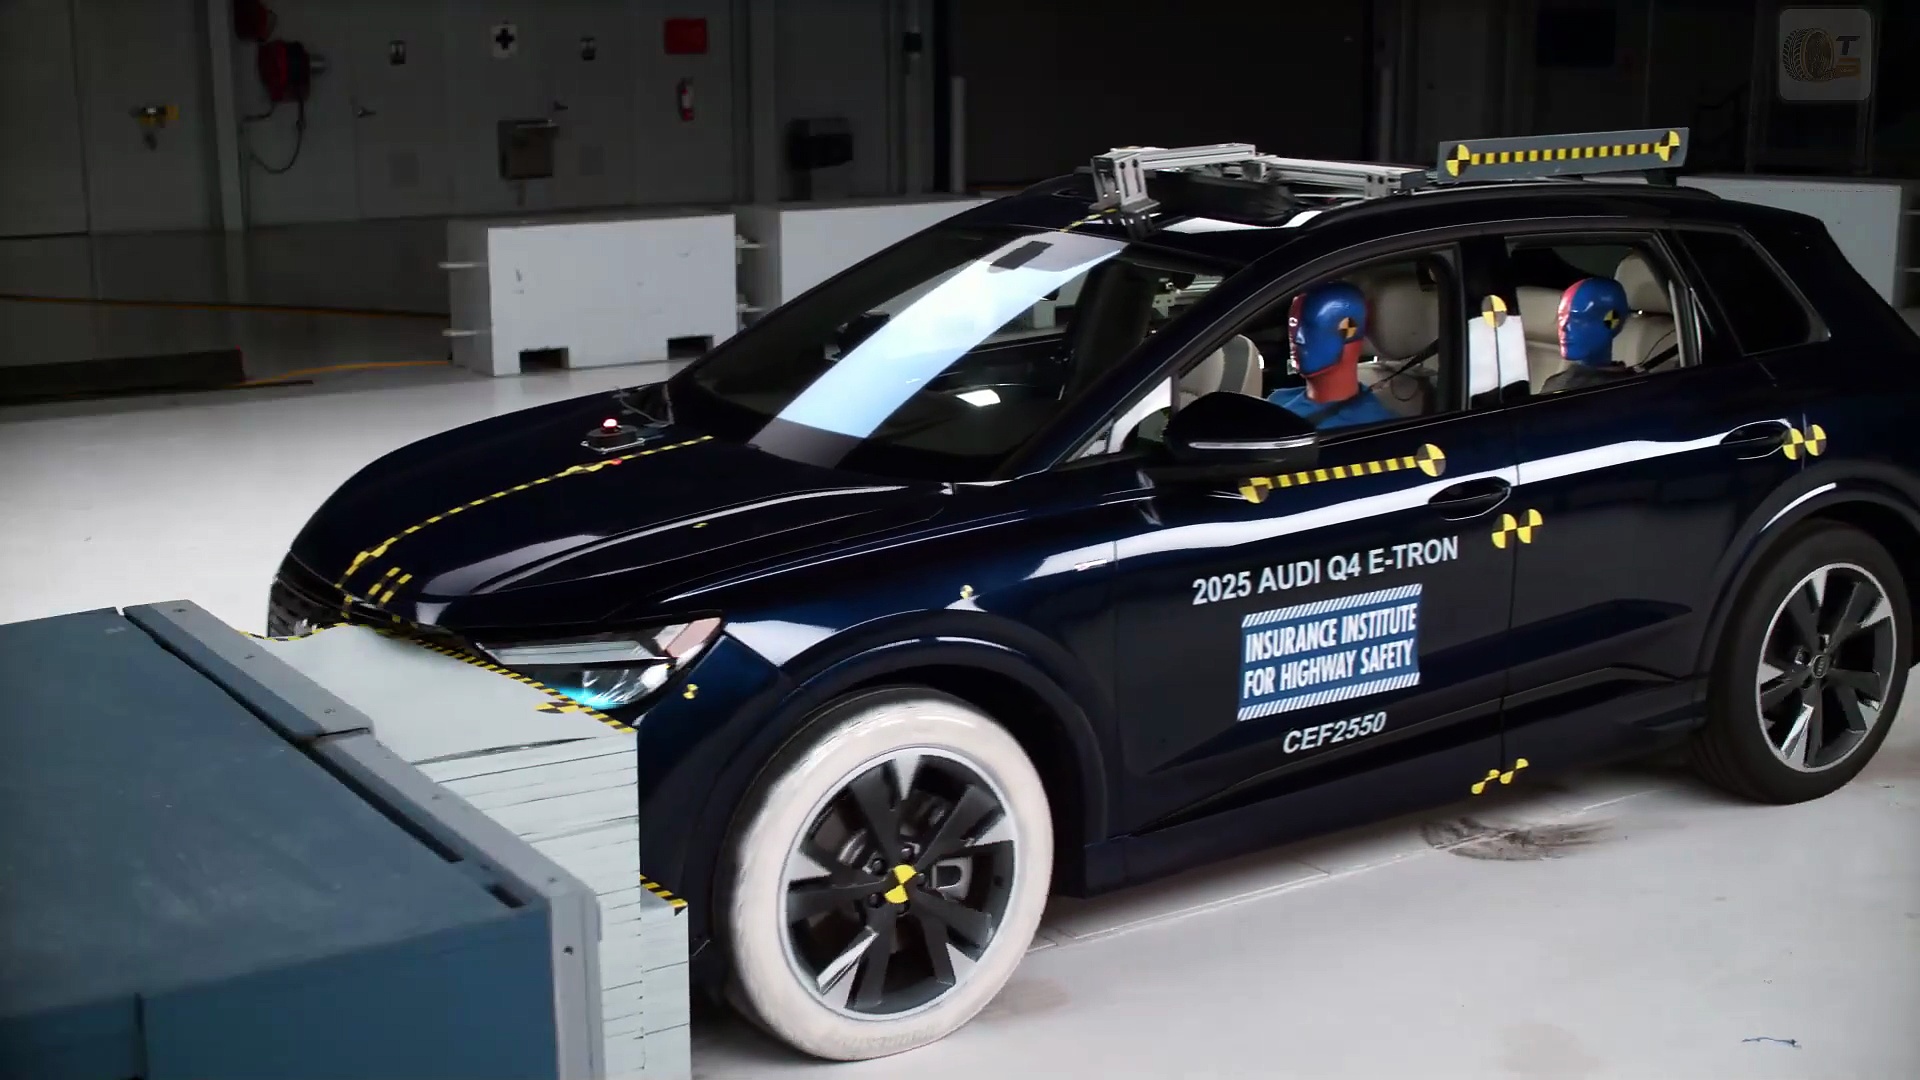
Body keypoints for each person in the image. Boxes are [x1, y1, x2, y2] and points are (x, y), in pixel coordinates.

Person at [1266, 281, 1396, 429]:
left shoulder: (1374, 430)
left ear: (1348, 333)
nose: (1297, 338)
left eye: (1309, 327)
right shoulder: (1278, 400)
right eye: (1293, 326)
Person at [1542, 276, 1635, 394]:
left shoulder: (1629, 392)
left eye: (1578, 318)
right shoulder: (1554, 382)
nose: (1564, 327)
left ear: (1612, 321)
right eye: (1561, 317)